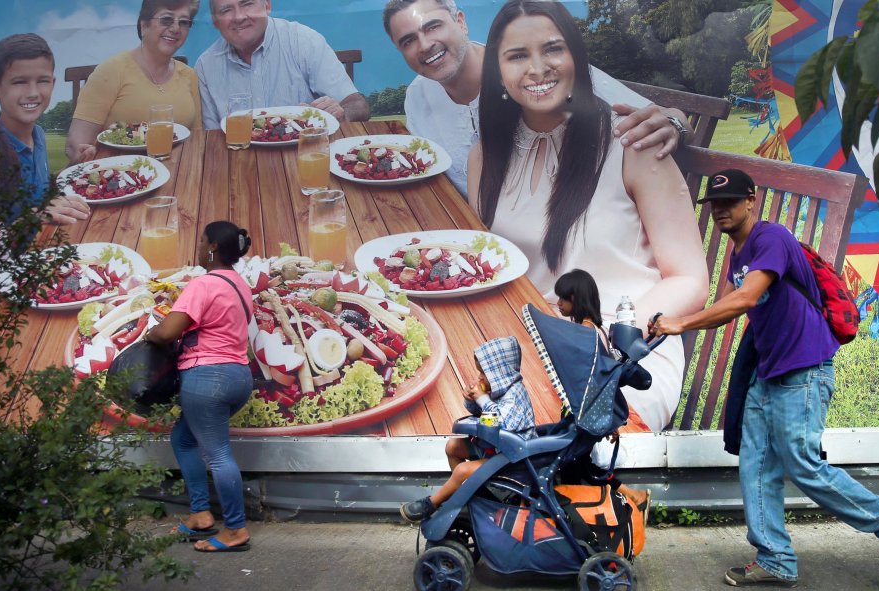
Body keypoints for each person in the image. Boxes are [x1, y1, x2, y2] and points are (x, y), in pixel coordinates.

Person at [649, 169, 879, 586]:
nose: (721, 210)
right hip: (769, 372)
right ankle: (775, 557)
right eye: (714, 205)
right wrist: (672, 326)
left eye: (729, 201)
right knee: (756, 464)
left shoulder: (771, 238)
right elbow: (731, 306)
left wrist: (679, 323)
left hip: (804, 369)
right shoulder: (738, 254)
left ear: (751, 200)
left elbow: (742, 300)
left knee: (803, 465)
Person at [467, 0, 708, 432]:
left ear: (577, 57)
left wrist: (610, 334)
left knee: (538, 445)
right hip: (529, 343)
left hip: (623, 350)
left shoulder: (632, 142)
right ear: (498, 73)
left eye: (552, 49)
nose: (538, 68)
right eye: (517, 55)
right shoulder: (486, 156)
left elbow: (690, 280)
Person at [383, 0, 693, 198]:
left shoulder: (531, 73)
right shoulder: (417, 97)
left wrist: (675, 124)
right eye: (408, 40)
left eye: (433, 26)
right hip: (479, 236)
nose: (425, 44)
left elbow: (665, 115)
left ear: (461, 22)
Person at [145, 221, 255, 553]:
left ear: (211, 249)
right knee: (183, 437)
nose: (197, 246)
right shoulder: (240, 285)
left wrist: (151, 334)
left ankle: (235, 530)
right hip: (238, 376)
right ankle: (201, 514)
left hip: (207, 378)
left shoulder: (202, 285)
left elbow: (167, 332)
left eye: (201, 240)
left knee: (219, 454)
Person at [400, 336, 536, 522]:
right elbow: (482, 415)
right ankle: (478, 496)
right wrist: (472, 399)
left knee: (463, 470)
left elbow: (500, 424)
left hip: (514, 459)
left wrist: (483, 398)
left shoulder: (515, 394)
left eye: (484, 373)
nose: (480, 377)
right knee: (453, 446)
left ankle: (432, 504)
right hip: (495, 451)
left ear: (500, 372)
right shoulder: (498, 391)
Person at [554, 269, 649, 511]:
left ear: (575, 298)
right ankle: (632, 496)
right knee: (580, 465)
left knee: (571, 470)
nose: (558, 303)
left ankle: (581, 526)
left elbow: (593, 379)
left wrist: (607, 421)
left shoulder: (586, 333)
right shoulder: (599, 330)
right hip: (586, 412)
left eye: (562, 298)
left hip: (581, 412)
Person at [65, 0, 204, 164]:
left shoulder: (189, 75)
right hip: (121, 179)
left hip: (179, 176)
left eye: (184, 22)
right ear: (144, 25)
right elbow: (75, 147)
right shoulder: (111, 70)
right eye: (166, 19)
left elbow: (197, 140)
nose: (175, 28)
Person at [197, 0, 369, 130]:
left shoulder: (304, 41)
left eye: (247, 3)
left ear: (267, 5)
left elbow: (358, 106)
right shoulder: (206, 66)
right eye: (226, 9)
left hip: (305, 156)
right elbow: (211, 138)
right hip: (240, 165)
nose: (239, 17)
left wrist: (340, 113)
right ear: (215, 21)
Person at [0, 34, 89, 225]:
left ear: (53, 84)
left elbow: (40, 193)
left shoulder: (38, 134)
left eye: (42, 81)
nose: (33, 93)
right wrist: (32, 217)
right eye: (19, 82)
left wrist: (74, 166)